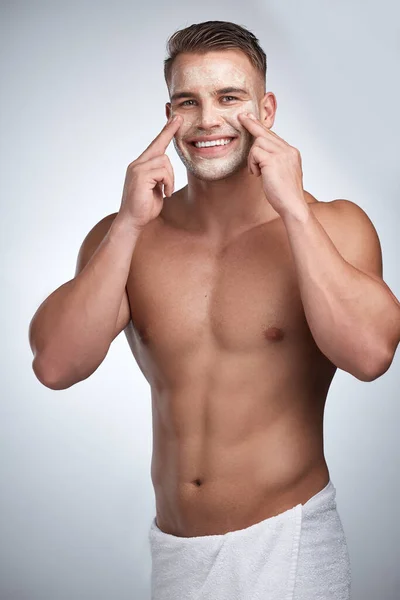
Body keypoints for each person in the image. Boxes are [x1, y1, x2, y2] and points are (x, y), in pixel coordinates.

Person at [29, 20, 400, 600]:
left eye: (230, 98)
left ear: (266, 108)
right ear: (169, 112)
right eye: (188, 102)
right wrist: (127, 224)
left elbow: (371, 355)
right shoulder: (129, 238)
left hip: (290, 543)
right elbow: (55, 366)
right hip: (175, 554)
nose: (208, 120)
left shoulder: (332, 224)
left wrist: (293, 214)